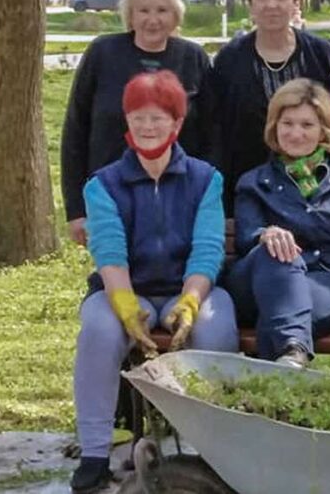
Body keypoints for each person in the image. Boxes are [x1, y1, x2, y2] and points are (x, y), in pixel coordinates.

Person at [70, 71, 238, 494]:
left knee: (216, 327)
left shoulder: (206, 179)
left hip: (188, 288)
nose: (147, 127)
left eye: (158, 118)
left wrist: (191, 301)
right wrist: (125, 305)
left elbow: (207, 247)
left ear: (177, 124)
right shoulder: (102, 185)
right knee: (100, 329)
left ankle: (216, 451)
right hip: (126, 288)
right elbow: (109, 252)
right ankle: (93, 455)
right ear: (126, 122)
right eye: (138, 117)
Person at [225, 79, 330, 368]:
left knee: (278, 312)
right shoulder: (254, 182)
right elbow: (247, 236)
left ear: (324, 130)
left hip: (329, 280)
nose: (296, 133)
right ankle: (293, 351)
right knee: (277, 252)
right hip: (263, 276)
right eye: (287, 123)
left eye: (307, 125)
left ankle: (285, 364)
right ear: (274, 125)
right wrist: (267, 234)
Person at [61, 0, 215, 246]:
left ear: (176, 16)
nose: (152, 19)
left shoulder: (193, 58)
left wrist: (211, 201)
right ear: (130, 15)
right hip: (110, 197)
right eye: (143, 10)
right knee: (116, 275)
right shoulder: (102, 53)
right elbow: (75, 131)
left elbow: (213, 135)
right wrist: (76, 209)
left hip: (179, 197)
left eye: (162, 10)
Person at [210, 0, 330, 213]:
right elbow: (219, 131)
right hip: (250, 192)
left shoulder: (321, 54)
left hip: (316, 190)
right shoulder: (229, 60)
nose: (272, 5)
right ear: (251, 3)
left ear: (295, 2)